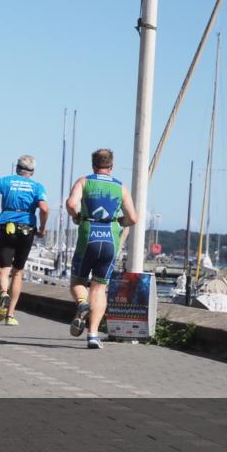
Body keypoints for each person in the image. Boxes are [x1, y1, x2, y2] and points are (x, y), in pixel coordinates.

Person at [65, 148, 138, 349]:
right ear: (111, 166)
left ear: (93, 165)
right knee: (99, 288)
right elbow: (133, 218)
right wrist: (117, 221)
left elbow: (71, 203)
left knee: (78, 281)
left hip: (88, 235)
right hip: (110, 239)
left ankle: (82, 304)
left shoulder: (84, 182)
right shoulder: (120, 187)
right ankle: (93, 335)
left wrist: (76, 216)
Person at [0, 155, 49, 326]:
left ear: (17, 168)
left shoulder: (5, 181)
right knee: (18, 272)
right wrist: (42, 228)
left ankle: (3, 293)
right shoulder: (37, 187)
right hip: (27, 228)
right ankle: (10, 315)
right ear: (32, 172)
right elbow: (44, 208)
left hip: (8, 226)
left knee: (3, 269)